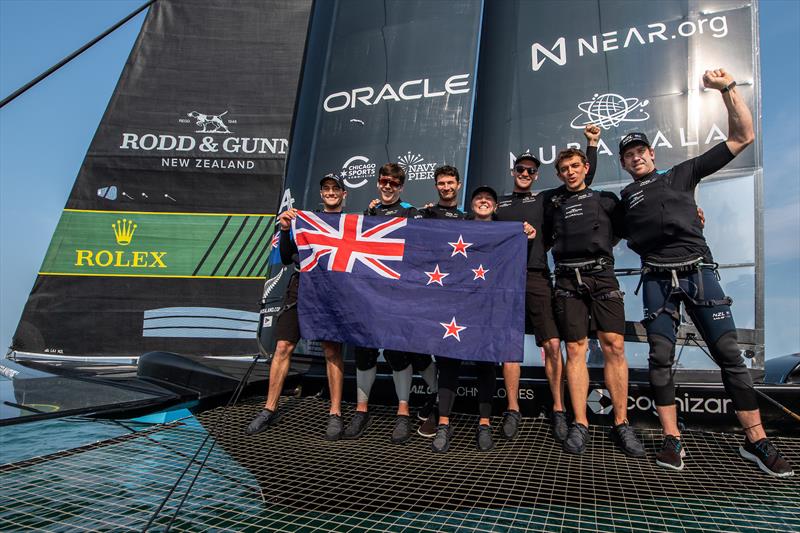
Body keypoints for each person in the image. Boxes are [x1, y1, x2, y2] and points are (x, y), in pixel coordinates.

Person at [618, 68, 793, 476]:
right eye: (628, 154)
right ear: (624, 164)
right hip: (657, 281)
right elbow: (598, 234)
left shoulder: (682, 173)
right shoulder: (624, 198)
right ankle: (672, 440)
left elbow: (741, 138)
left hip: (699, 273)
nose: (637, 156)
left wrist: (728, 89)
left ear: (652, 154)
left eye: (641, 150)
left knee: (730, 356)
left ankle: (756, 442)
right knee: (660, 360)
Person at [493, 124, 599, 443]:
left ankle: (558, 409)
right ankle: (512, 409)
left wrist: (591, 144)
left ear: (536, 176)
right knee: (510, 350)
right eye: (521, 168)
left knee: (553, 345)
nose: (525, 173)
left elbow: (583, 180)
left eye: (531, 170)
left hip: (538, 277)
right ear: (514, 171)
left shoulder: (545, 200)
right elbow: (471, 232)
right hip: (506, 283)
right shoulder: (498, 203)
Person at [544, 147, 645, 457]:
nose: (571, 172)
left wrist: (691, 214)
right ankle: (580, 422)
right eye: (564, 169)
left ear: (586, 167)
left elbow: (635, 227)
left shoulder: (606, 200)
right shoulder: (554, 203)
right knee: (574, 349)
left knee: (614, 345)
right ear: (559, 174)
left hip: (602, 277)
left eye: (576, 166)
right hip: (565, 280)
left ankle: (621, 422)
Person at [342, 163, 439, 444]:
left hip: (402, 295)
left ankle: (403, 412)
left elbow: (434, 238)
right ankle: (361, 410)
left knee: (401, 352)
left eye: (394, 183)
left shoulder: (411, 212)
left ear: (401, 187)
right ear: (377, 183)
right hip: (372, 295)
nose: (387, 186)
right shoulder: (368, 213)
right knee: (364, 351)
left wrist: (430, 212)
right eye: (383, 181)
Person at [246, 174, 347, 440]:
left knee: (332, 350)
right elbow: (287, 254)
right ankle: (269, 409)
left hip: (331, 289)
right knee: (283, 346)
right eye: (326, 188)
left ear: (344, 194)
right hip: (301, 284)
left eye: (336, 189)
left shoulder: (350, 223)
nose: (330, 192)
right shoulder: (305, 220)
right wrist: (284, 228)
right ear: (321, 194)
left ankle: (335, 413)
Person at [431, 185, 511, 453]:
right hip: (457, 305)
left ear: (496, 206)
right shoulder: (457, 228)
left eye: (489, 198)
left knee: (486, 364)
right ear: (472, 205)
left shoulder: (507, 233)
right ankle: (444, 423)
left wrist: (527, 235)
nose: (484, 201)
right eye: (479, 198)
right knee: (448, 362)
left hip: (489, 308)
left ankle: (485, 423)